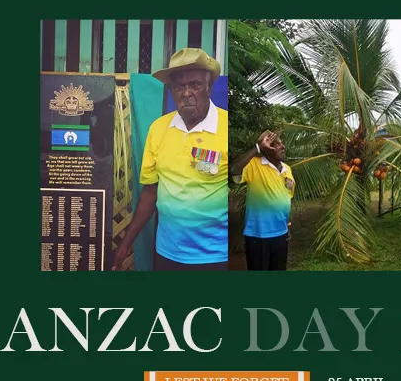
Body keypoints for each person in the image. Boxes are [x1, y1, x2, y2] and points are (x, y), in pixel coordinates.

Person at [112, 48, 228, 271]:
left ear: (209, 87)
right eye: (179, 87)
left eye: (194, 85)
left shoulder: (224, 128)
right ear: (172, 91)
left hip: (215, 257)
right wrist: (126, 242)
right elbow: (150, 191)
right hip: (167, 253)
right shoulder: (159, 129)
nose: (186, 93)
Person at [230, 131, 295, 270]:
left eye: (281, 143)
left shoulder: (287, 169)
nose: (282, 146)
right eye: (276, 144)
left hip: (281, 234)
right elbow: (234, 169)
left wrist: (287, 226)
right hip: (258, 235)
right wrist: (258, 148)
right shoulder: (254, 165)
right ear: (266, 149)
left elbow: (286, 199)